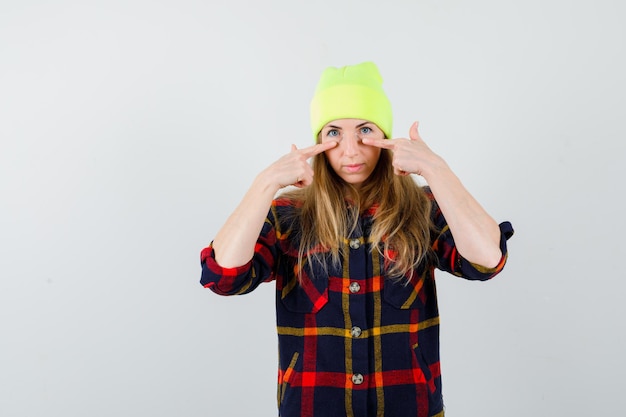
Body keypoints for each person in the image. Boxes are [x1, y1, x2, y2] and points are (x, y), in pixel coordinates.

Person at [200, 61, 514, 417]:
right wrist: (265, 184)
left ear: (384, 136)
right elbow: (223, 278)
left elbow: (487, 261)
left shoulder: (423, 207)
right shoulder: (287, 214)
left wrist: (437, 170)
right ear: (318, 140)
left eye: (364, 129)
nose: (350, 150)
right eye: (333, 132)